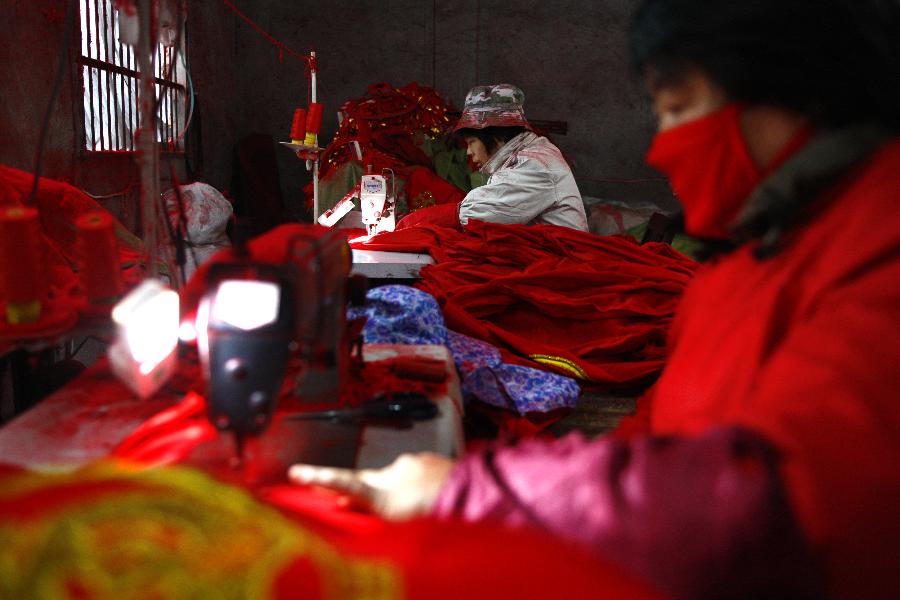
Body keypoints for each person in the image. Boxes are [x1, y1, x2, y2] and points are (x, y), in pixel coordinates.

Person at [291, 1, 900, 597]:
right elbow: (665, 435)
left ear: (788, 89)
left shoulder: (877, 269)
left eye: (680, 107)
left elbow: (764, 506)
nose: (662, 149)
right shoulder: (750, 267)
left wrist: (479, 495)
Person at [396, 84, 589, 231]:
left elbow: (482, 212)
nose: (469, 152)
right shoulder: (524, 157)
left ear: (495, 137)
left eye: (471, 142)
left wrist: (414, 221)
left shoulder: (534, 164)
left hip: (562, 264)